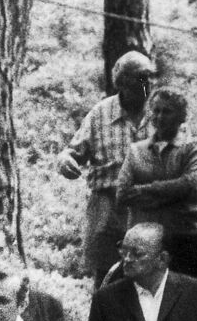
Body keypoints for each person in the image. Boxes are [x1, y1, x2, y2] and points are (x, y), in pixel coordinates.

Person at [58, 51, 155, 284]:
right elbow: (72, 152)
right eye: (140, 79)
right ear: (121, 83)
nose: (147, 84)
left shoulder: (163, 112)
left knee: (151, 280)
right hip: (108, 208)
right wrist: (64, 160)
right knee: (108, 281)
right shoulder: (100, 114)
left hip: (152, 208)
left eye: (150, 77)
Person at [117, 88, 197, 274]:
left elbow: (189, 183)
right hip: (143, 240)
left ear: (181, 117)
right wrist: (171, 194)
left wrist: (143, 191)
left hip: (183, 237)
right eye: (156, 111)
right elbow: (123, 193)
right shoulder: (136, 151)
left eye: (167, 111)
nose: (160, 116)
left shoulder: (193, 148)